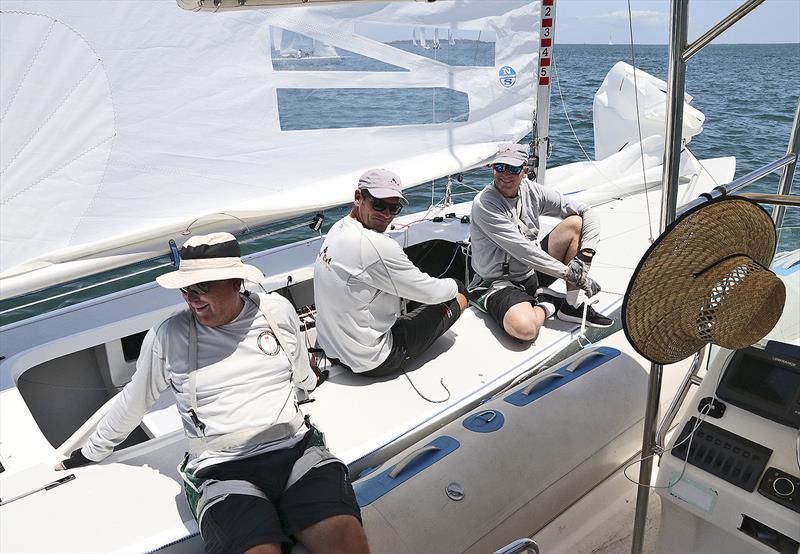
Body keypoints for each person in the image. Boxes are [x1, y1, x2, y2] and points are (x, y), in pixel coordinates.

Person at [55, 232, 368, 554]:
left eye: (203, 287)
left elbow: (301, 371)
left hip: (298, 451)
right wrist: (89, 453)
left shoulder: (277, 312)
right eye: (185, 288)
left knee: (348, 544)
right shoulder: (170, 335)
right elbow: (134, 401)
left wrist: (311, 382)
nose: (192, 297)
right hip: (221, 469)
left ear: (236, 282)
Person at [313, 168, 469, 377]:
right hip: (371, 359)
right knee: (457, 293)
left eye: (394, 208)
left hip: (330, 346)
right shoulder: (375, 246)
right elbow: (432, 293)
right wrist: (455, 284)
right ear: (358, 197)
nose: (386, 215)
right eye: (379, 205)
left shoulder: (338, 227)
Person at [470, 143, 613, 342]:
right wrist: (575, 276)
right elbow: (524, 250)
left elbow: (587, 210)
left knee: (575, 224)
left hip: (530, 272)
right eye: (500, 167)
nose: (505, 174)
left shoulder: (533, 191)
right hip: (497, 282)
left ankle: (572, 306)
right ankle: (549, 302)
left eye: (513, 169)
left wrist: (586, 255)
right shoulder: (485, 204)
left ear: (524, 171)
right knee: (525, 330)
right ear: (493, 169)